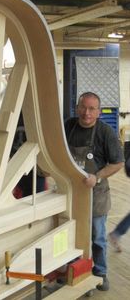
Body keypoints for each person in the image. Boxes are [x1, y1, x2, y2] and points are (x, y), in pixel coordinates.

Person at [65, 92, 124, 291]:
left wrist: (96, 176)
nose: (87, 113)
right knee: (70, 233)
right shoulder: (69, 126)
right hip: (71, 192)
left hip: (96, 192)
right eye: (83, 107)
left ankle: (100, 272)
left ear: (98, 112)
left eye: (92, 109)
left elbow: (117, 163)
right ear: (77, 108)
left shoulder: (105, 132)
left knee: (97, 237)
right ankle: (72, 271)